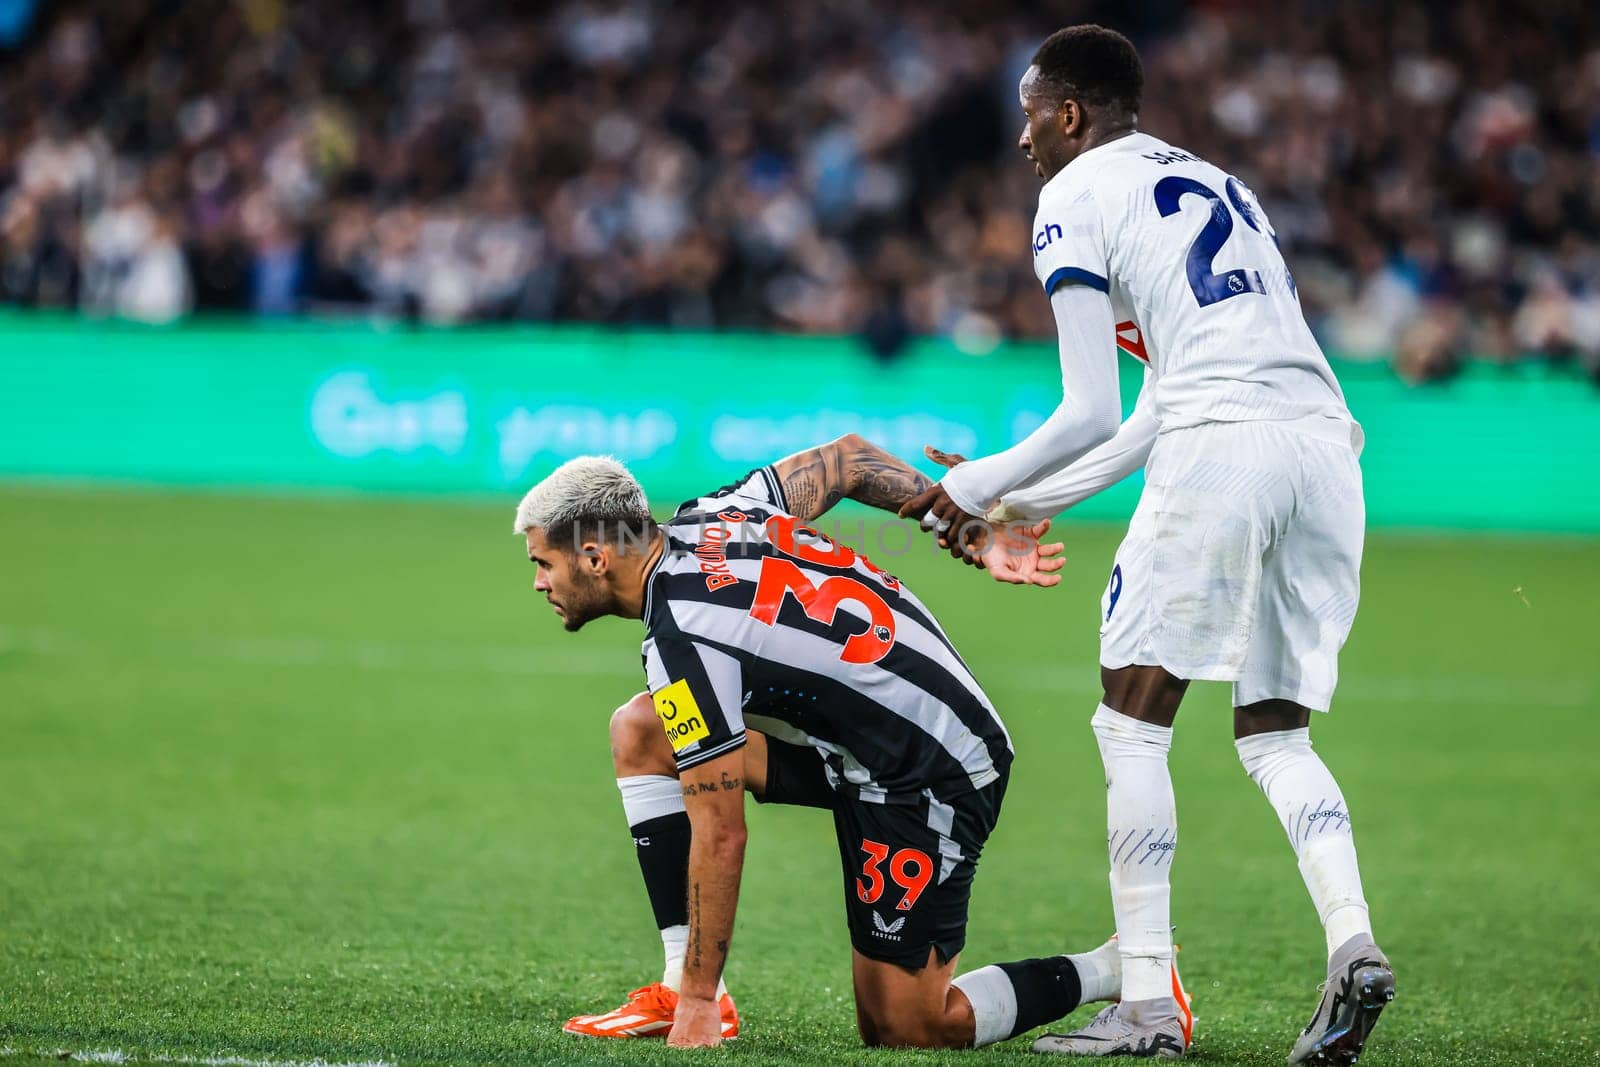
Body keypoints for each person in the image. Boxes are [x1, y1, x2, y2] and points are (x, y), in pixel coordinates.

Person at [900, 25, 1393, 1064]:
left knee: (1130, 729)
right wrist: (1020, 501)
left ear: (1069, 112)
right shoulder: (1221, 187)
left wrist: (958, 491)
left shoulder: (1072, 194)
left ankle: (1147, 1005)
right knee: (1273, 735)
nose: (1024, 138)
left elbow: (1088, 406)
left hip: (1222, 449)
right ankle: (1352, 940)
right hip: (1325, 453)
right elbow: (1144, 417)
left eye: (1032, 113)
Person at [513, 434, 1187, 1049]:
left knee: (905, 1024)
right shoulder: (719, 512)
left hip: (932, 769)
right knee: (643, 729)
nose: (540, 580)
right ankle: (689, 984)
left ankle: (1119, 966)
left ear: (596, 555)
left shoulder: (683, 635)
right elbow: (848, 462)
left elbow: (720, 833)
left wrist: (695, 1007)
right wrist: (970, 531)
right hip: (858, 744)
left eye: (544, 562)